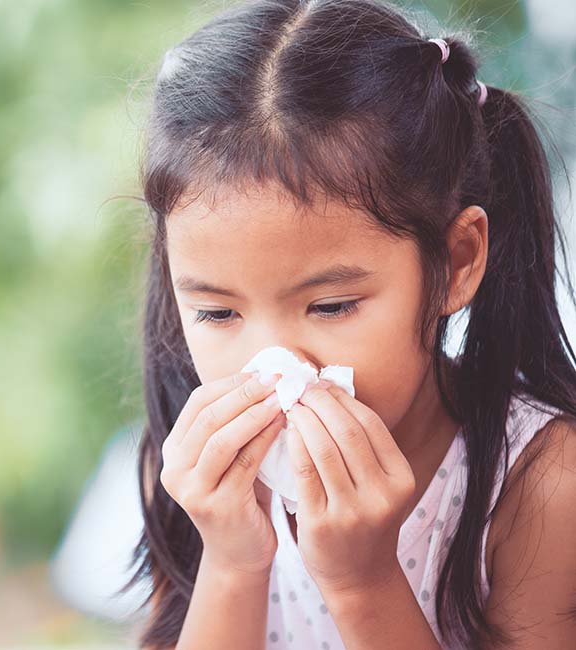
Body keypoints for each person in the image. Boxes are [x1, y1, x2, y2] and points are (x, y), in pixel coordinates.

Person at [118, 1, 576, 648]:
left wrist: (363, 581)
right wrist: (231, 563)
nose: (278, 366)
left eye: (331, 306)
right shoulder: (191, 474)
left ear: (456, 261)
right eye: (218, 312)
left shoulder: (541, 481)